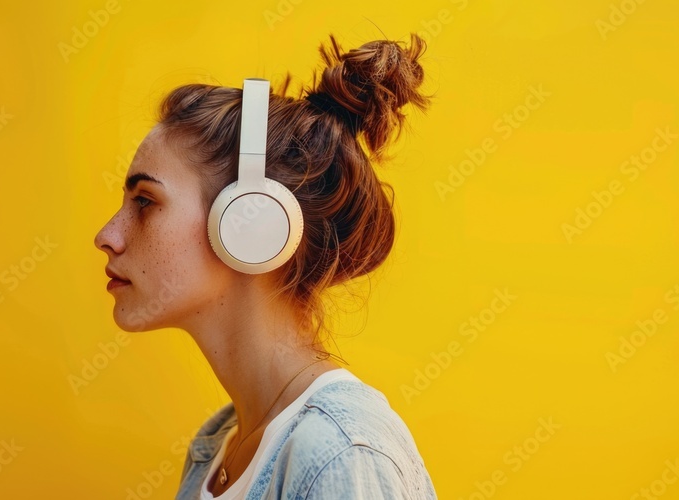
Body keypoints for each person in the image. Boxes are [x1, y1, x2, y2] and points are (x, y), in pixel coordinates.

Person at [94, 32, 437, 499]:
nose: (107, 237)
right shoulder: (218, 446)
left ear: (247, 223)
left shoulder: (340, 451)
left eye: (145, 201)